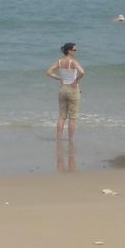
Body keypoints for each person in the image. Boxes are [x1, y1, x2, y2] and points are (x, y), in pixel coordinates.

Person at [46, 42, 84, 171]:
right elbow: (82, 72)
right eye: (74, 49)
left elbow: (48, 72)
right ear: (69, 51)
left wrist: (59, 79)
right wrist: (76, 80)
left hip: (62, 89)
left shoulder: (60, 61)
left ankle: (58, 139)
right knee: (73, 117)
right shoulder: (73, 62)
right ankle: (71, 140)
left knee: (62, 116)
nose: (76, 51)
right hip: (73, 90)